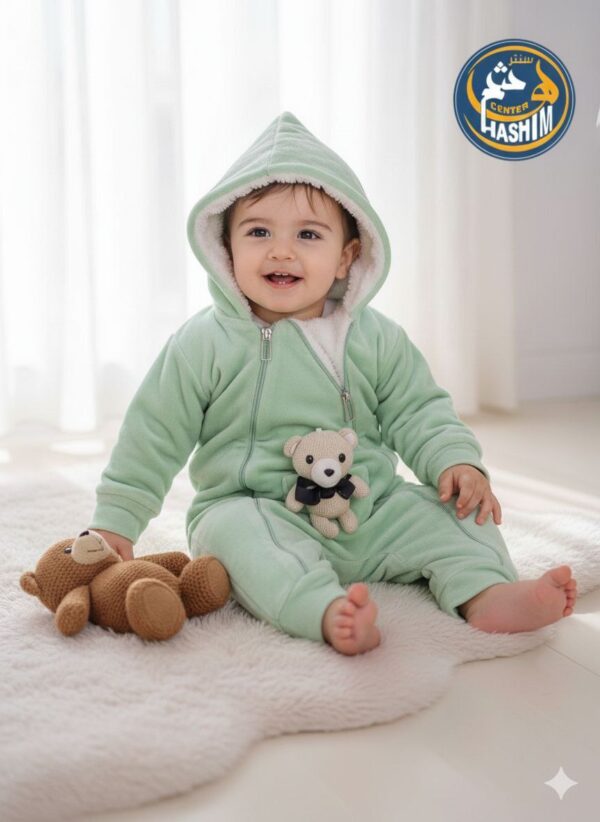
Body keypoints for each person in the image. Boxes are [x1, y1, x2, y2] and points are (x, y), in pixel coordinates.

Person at [89, 111, 577, 655]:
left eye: (307, 235)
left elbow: (418, 409)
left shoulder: (374, 338)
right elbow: (153, 432)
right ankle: (323, 610)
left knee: (457, 516)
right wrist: (117, 522)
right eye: (258, 232)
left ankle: (487, 593)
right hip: (259, 508)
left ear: (346, 257)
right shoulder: (204, 343)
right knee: (234, 539)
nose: (281, 250)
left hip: (371, 507)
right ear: (226, 249)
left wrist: (455, 463)